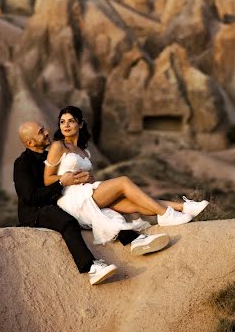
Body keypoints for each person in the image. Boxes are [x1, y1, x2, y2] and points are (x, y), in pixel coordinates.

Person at [15, 121, 172, 285]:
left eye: (44, 128)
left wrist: (81, 179)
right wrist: (61, 183)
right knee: (67, 222)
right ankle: (91, 268)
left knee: (100, 208)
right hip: (34, 211)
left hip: (57, 201)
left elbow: (64, 178)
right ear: (30, 143)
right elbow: (29, 197)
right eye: (41, 132)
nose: (47, 132)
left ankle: (134, 239)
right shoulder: (22, 163)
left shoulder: (49, 156)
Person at [45, 106, 209, 246]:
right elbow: (47, 179)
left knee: (135, 203)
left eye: (71, 121)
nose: (66, 125)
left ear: (80, 124)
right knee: (123, 182)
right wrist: (67, 178)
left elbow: (88, 176)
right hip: (71, 198)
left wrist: (90, 179)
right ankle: (166, 215)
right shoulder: (58, 146)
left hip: (87, 191)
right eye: (62, 122)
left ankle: (183, 207)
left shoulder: (84, 151)